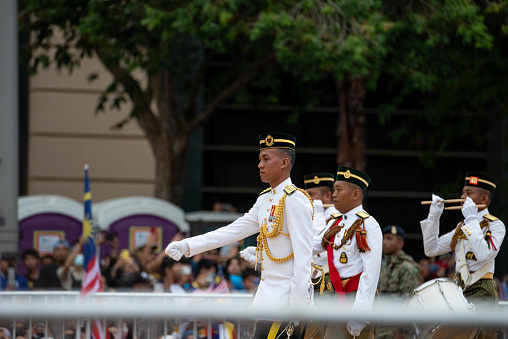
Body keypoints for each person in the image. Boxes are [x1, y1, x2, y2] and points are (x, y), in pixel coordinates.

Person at [166, 132, 314, 339]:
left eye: (266, 159)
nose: (259, 165)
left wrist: (297, 305)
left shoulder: (295, 200)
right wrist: (188, 246)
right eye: (259, 159)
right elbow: (231, 231)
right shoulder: (265, 200)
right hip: (267, 299)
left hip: (286, 301)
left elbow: (303, 257)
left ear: (284, 162)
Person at [421, 172, 505, 338]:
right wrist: (434, 217)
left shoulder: (495, 225)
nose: (462, 197)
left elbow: (484, 254)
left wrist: (473, 220)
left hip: (482, 287)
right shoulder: (463, 226)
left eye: (469, 193)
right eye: (463, 192)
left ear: (484, 199)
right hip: (458, 289)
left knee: (482, 336)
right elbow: (431, 249)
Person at [312, 166, 382, 339]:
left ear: (355, 194)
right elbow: (311, 245)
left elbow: (370, 272)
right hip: (336, 296)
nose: (333, 194)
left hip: (356, 297)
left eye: (338, 190)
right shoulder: (336, 223)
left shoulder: (367, 224)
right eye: (334, 189)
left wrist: (360, 314)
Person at [375, 226, 420, 339]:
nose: (384, 242)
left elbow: (408, 302)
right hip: (378, 326)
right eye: (383, 238)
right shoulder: (380, 265)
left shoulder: (407, 267)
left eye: (389, 239)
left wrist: (401, 330)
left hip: (395, 330)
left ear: (400, 243)